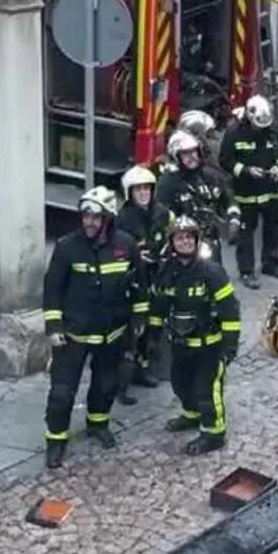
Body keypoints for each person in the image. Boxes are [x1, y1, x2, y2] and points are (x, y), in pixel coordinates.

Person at [41, 187, 144, 469]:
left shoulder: (126, 246)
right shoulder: (66, 247)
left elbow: (139, 287)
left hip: (111, 334)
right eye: (85, 215)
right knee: (62, 392)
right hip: (73, 335)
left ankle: (98, 424)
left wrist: (138, 320)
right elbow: (52, 291)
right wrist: (53, 325)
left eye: (96, 217)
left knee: (106, 384)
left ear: (108, 218)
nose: (89, 222)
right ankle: (56, 440)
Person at [152, 215, 241, 456]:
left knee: (206, 390)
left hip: (210, 346)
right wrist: (152, 337)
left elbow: (230, 311)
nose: (185, 242)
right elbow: (159, 306)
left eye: (189, 237)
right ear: (172, 243)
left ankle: (214, 433)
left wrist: (229, 347)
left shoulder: (211, 271)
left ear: (196, 240)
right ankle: (192, 416)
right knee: (180, 383)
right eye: (180, 238)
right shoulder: (167, 271)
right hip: (180, 345)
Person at [218, 94, 278, 287]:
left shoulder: (276, 129)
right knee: (246, 233)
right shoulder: (234, 131)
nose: (261, 130)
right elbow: (225, 161)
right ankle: (246, 271)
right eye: (258, 126)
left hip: (271, 190)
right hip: (246, 192)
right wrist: (245, 170)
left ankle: (271, 263)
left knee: (272, 229)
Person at [116, 165, 171, 394]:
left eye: (147, 188)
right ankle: (121, 381)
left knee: (153, 324)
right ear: (129, 192)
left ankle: (146, 368)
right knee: (131, 328)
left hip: (156, 274)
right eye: (138, 189)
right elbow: (115, 249)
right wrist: (135, 256)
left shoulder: (162, 213)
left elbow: (172, 233)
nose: (143, 193)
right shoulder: (122, 218)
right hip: (132, 278)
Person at [158, 129, 241, 261]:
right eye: (185, 153)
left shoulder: (210, 176)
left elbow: (228, 197)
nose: (192, 156)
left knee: (216, 276)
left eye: (194, 151)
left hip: (210, 240)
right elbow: (161, 216)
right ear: (176, 156)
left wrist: (234, 219)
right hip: (183, 245)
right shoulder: (168, 183)